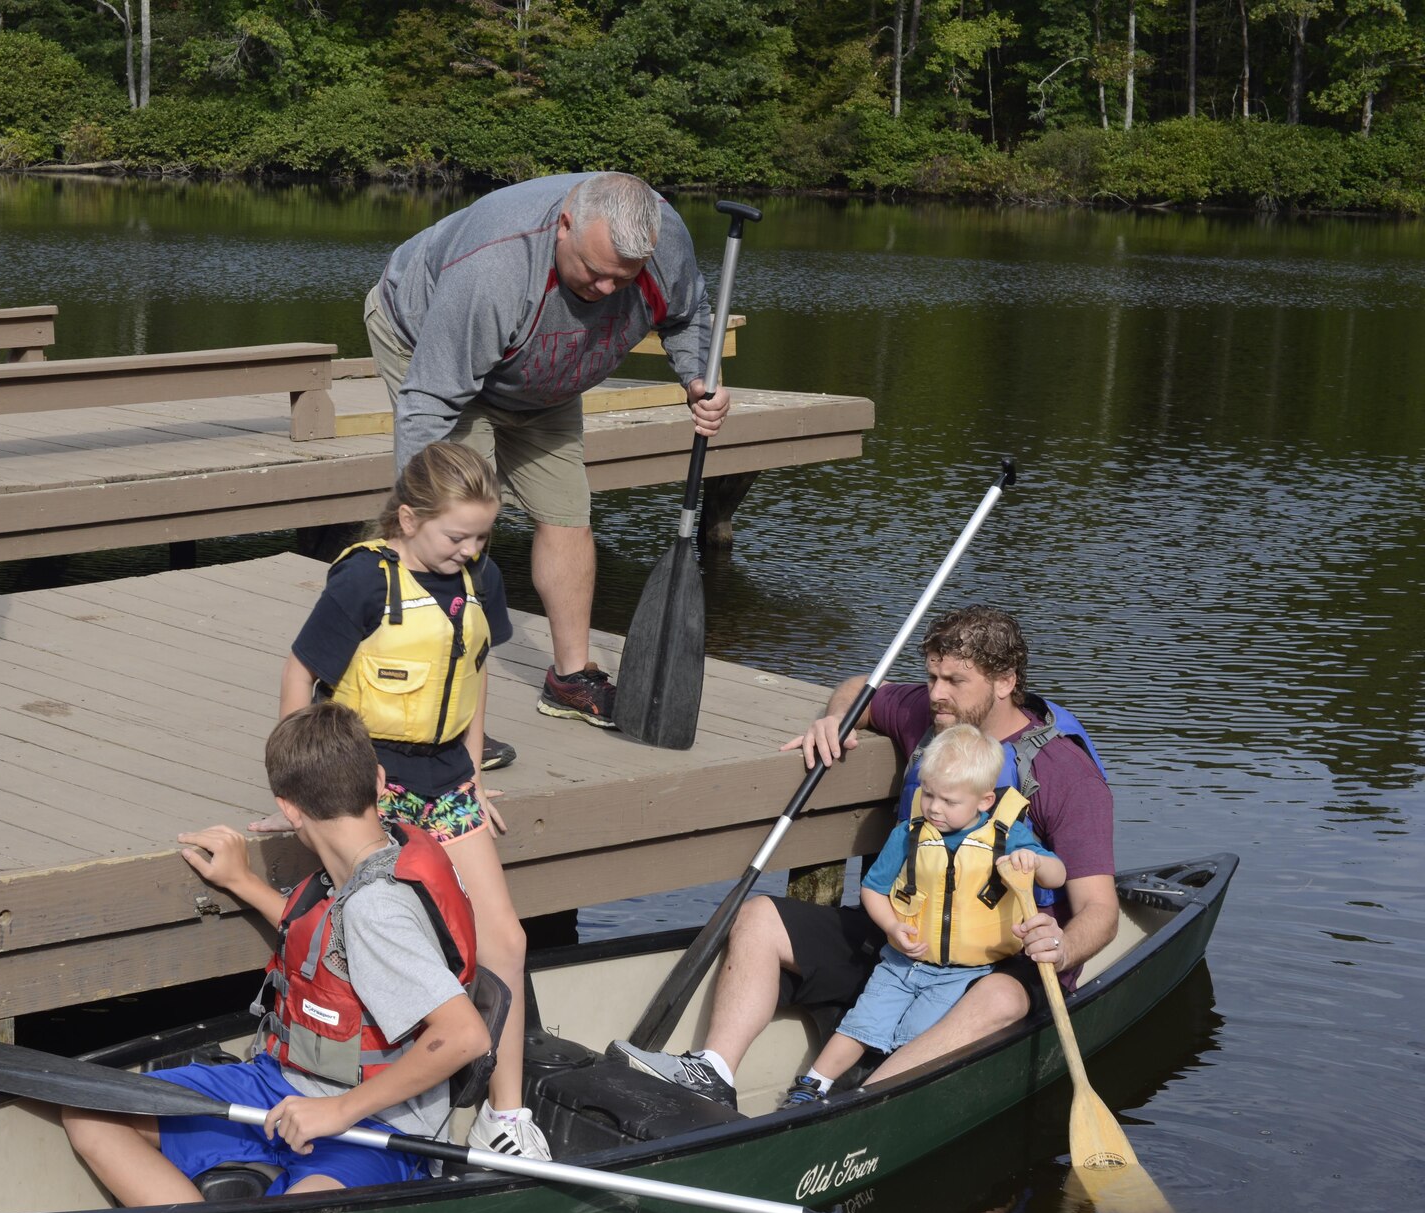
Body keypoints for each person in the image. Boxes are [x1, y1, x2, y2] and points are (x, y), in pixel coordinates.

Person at [614, 606, 1116, 1105]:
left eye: (955, 681)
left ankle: (861, 1105)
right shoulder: (932, 714)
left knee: (1001, 998)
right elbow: (860, 688)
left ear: (1005, 682)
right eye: (932, 676)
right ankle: (713, 1073)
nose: (936, 693)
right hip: (902, 941)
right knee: (759, 917)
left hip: (998, 963)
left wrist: (1063, 948)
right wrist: (836, 719)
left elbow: (1100, 911)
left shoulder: (1062, 774)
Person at [61, 703, 493, 1203]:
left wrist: (338, 1111)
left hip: (372, 1126)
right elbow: (328, 939)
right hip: (279, 1087)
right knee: (91, 1108)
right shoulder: (381, 851)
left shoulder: (377, 909)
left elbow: (464, 1036)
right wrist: (242, 882)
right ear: (378, 781)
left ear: (288, 809)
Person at [256, 440, 551, 1160]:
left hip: (445, 780)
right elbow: (302, 672)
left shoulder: (482, 577)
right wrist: (295, 780)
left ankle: (504, 1116)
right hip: (368, 782)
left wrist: (474, 777)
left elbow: (472, 670)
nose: (471, 549)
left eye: (482, 535)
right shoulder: (363, 582)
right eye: (458, 536)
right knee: (378, 928)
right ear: (410, 517)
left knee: (505, 939)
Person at [367, 171, 732, 732]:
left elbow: (687, 317)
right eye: (593, 272)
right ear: (565, 225)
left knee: (568, 515)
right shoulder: (496, 268)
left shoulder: (664, 246)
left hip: (544, 376)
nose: (606, 292)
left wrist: (696, 381)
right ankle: (430, 699)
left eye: (622, 279)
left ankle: (569, 680)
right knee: (457, 528)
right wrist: (412, 513)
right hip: (432, 351)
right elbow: (429, 401)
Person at [777, 725, 1066, 1107]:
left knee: (918, 1037)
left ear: (983, 801)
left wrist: (1034, 863)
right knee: (861, 1024)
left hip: (965, 972)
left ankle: (877, 1093)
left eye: (948, 800)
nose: (933, 807)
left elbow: (1058, 874)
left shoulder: (1007, 835)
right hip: (901, 960)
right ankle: (812, 1085)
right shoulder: (910, 833)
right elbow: (874, 889)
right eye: (928, 794)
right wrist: (893, 927)